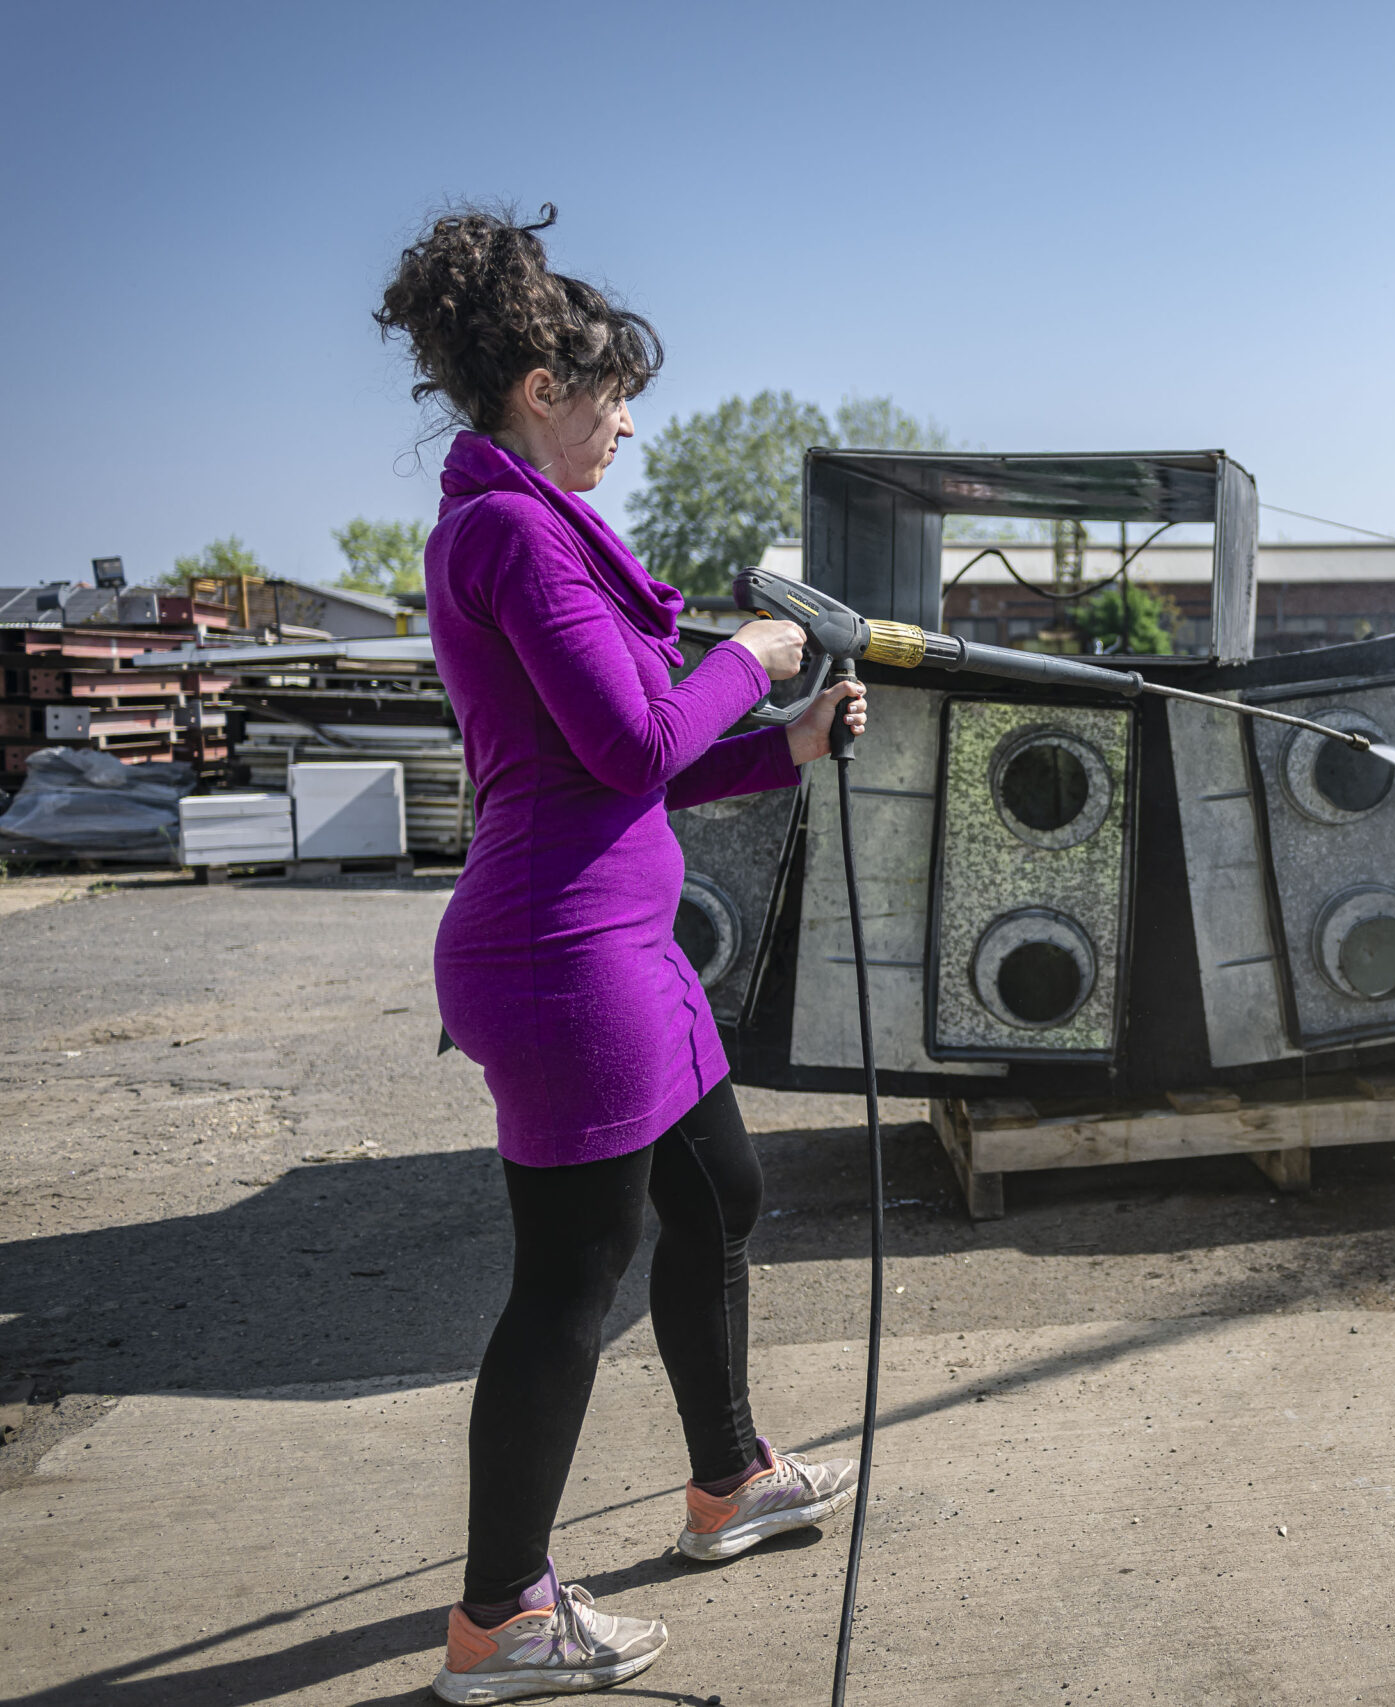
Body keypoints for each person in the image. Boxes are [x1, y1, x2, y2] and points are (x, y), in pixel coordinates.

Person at [374, 203, 867, 1705]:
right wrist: (752, 660)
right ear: (543, 391)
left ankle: (729, 1481)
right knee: (570, 1281)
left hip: (619, 944)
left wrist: (782, 743)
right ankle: (500, 1618)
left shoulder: (531, 527)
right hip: (557, 956)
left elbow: (628, 764)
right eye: (612, 397)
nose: (629, 425)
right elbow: (635, 736)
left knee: (721, 1191)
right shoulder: (511, 533)